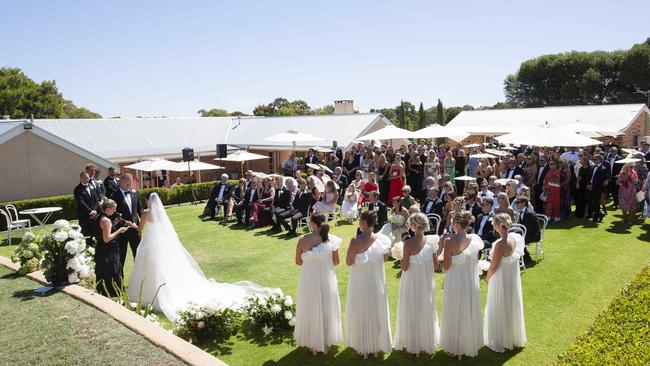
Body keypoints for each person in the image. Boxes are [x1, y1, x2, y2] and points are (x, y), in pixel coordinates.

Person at [128, 193, 281, 321]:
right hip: (161, 244)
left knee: (151, 269)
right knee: (163, 269)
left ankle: (150, 295)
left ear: (148, 200)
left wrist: (131, 224)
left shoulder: (146, 213)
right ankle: (157, 292)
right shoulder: (160, 214)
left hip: (150, 245)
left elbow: (140, 229)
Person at [345, 211, 392, 359]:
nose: (359, 224)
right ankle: (376, 347)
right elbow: (385, 259)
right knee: (375, 309)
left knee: (360, 309)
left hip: (359, 280)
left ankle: (363, 347)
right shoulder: (382, 240)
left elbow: (348, 262)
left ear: (364, 223)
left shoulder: (355, 240)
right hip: (376, 280)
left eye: (360, 221)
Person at [294, 214, 343, 355]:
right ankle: (326, 341)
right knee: (326, 305)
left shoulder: (302, 240)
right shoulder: (332, 239)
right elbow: (336, 262)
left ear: (313, 224)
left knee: (311, 306)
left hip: (309, 278)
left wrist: (311, 261)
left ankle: (312, 342)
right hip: (326, 278)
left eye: (310, 222)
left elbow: (298, 262)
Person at [394, 213, 440, 356]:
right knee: (425, 308)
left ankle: (411, 341)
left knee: (411, 308)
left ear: (414, 225)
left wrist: (400, 257)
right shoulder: (431, 242)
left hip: (411, 282)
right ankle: (424, 342)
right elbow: (435, 266)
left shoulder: (408, 243)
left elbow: (405, 267)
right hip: (425, 282)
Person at [439, 211, 484, 359]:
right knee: (467, 310)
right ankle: (467, 344)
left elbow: (445, 266)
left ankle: (454, 348)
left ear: (457, 224)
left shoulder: (449, 241)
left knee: (454, 310)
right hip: (470, 280)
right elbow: (476, 261)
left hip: (455, 280)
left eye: (452, 222)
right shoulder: (475, 239)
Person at [484, 213, 527, 352]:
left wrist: (487, 277)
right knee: (509, 305)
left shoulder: (500, 244)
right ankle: (510, 336)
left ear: (497, 226)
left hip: (500, 278)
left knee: (498, 305)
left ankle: (499, 339)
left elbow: (494, 266)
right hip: (510, 278)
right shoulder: (514, 239)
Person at [94, 199, 133, 297]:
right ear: (108, 208)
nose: (115, 211)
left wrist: (115, 224)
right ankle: (114, 293)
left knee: (103, 272)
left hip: (101, 249)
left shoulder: (99, 216)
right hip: (108, 251)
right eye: (114, 209)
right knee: (112, 272)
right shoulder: (106, 220)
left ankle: (104, 292)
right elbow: (107, 238)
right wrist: (119, 230)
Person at [110, 173, 143, 275]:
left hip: (135, 230)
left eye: (130, 183)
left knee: (138, 255)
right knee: (121, 256)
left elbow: (140, 210)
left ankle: (140, 278)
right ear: (121, 182)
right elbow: (113, 214)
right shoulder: (114, 196)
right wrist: (124, 221)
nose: (129, 185)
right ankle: (119, 281)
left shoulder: (135, 193)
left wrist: (140, 225)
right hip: (121, 231)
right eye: (127, 183)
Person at [74, 172, 99, 241]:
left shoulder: (91, 186)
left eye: (88, 178)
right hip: (84, 216)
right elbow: (81, 202)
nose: (87, 179)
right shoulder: (77, 189)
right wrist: (90, 211)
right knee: (85, 234)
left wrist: (95, 211)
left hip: (94, 215)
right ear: (81, 178)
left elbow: (96, 200)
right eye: (85, 178)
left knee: (94, 233)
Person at [587, 154, 610, 223]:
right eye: (593, 159)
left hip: (597, 188)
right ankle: (600, 214)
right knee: (589, 201)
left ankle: (595, 218)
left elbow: (600, 181)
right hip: (590, 187)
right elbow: (589, 177)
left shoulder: (603, 169)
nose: (593, 161)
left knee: (596, 203)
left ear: (600, 160)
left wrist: (592, 186)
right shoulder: (592, 167)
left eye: (595, 159)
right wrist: (588, 184)